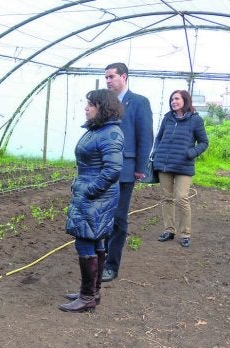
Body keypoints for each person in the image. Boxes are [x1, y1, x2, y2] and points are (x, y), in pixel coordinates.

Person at [59, 89, 124, 313]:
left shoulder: (110, 133)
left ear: (102, 108)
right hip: (90, 192)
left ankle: (87, 296)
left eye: (91, 105)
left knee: (85, 240)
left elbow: (113, 169)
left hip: (96, 195)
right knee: (95, 240)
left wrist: (89, 190)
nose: (86, 108)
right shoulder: (97, 130)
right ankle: (92, 293)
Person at [101, 62, 154, 282]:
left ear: (124, 76)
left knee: (118, 218)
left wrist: (141, 168)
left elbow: (145, 136)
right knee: (103, 216)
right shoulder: (105, 102)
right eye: (106, 78)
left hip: (126, 168)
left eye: (111, 77)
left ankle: (111, 265)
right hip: (105, 168)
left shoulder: (139, 102)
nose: (108, 81)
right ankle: (99, 258)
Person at [152, 90, 208, 248]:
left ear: (185, 100)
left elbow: (204, 142)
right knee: (166, 198)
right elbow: (159, 137)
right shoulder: (168, 118)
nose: (173, 102)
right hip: (164, 163)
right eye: (172, 100)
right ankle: (169, 230)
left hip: (184, 164)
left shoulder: (195, 120)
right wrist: (156, 152)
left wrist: (191, 153)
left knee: (181, 198)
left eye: (177, 99)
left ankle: (185, 233)